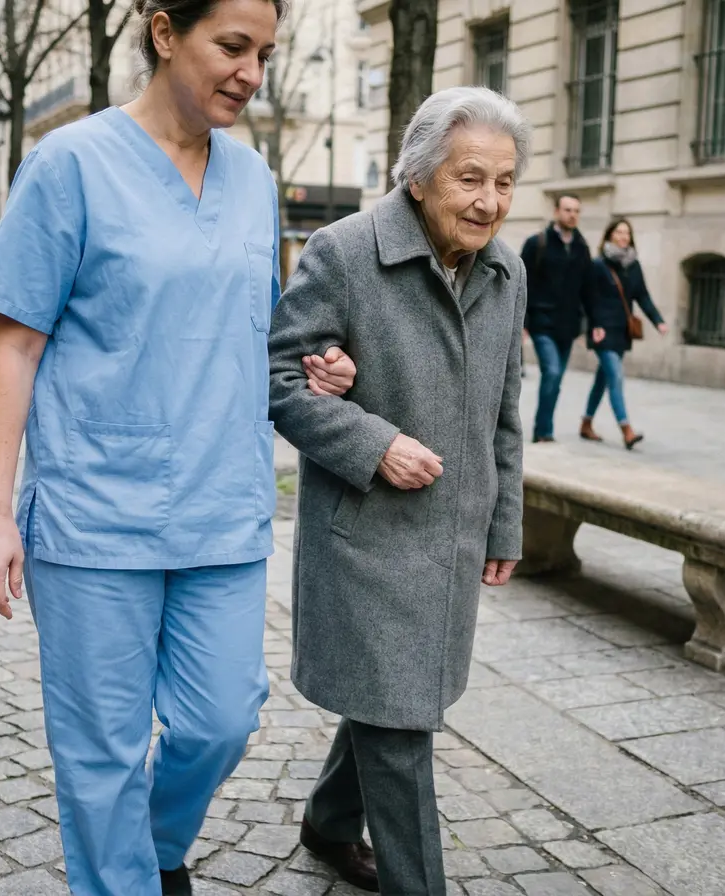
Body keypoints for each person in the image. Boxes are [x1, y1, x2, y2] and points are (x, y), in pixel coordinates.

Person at [0, 2, 356, 894]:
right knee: (99, 750)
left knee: (223, 717)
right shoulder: (69, 166)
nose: (252, 72)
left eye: (264, 53)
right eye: (232, 46)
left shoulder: (253, 180)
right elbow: (15, 346)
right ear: (164, 31)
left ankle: (151, 848)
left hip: (222, 501)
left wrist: (311, 370)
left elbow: (259, 335)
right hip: (95, 508)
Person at [268, 86, 529, 895]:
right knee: (402, 728)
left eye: (506, 181)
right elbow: (280, 380)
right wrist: (375, 445)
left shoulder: (507, 270)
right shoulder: (343, 253)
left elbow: (505, 410)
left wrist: (505, 523)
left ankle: (329, 820)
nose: (490, 201)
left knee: (393, 703)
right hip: (368, 543)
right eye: (470, 178)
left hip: (452, 540)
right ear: (417, 177)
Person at [582, 217, 668, 448]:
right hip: (602, 330)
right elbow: (590, 298)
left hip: (621, 332)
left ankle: (586, 423)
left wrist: (658, 321)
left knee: (604, 379)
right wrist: (595, 325)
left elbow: (643, 296)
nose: (623, 237)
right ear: (610, 235)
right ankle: (626, 429)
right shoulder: (599, 264)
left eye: (626, 233)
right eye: (619, 232)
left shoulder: (633, 265)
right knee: (616, 376)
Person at [520, 193, 593, 443]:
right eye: (568, 210)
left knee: (556, 379)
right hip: (542, 323)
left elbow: (587, 290)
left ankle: (543, 428)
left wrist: (587, 325)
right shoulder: (536, 243)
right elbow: (522, 284)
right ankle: (544, 432)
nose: (572, 215)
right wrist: (523, 322)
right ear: (556, 212)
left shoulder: (582, 248)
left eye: (576, 211)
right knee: (551, 373)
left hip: (568, 327)